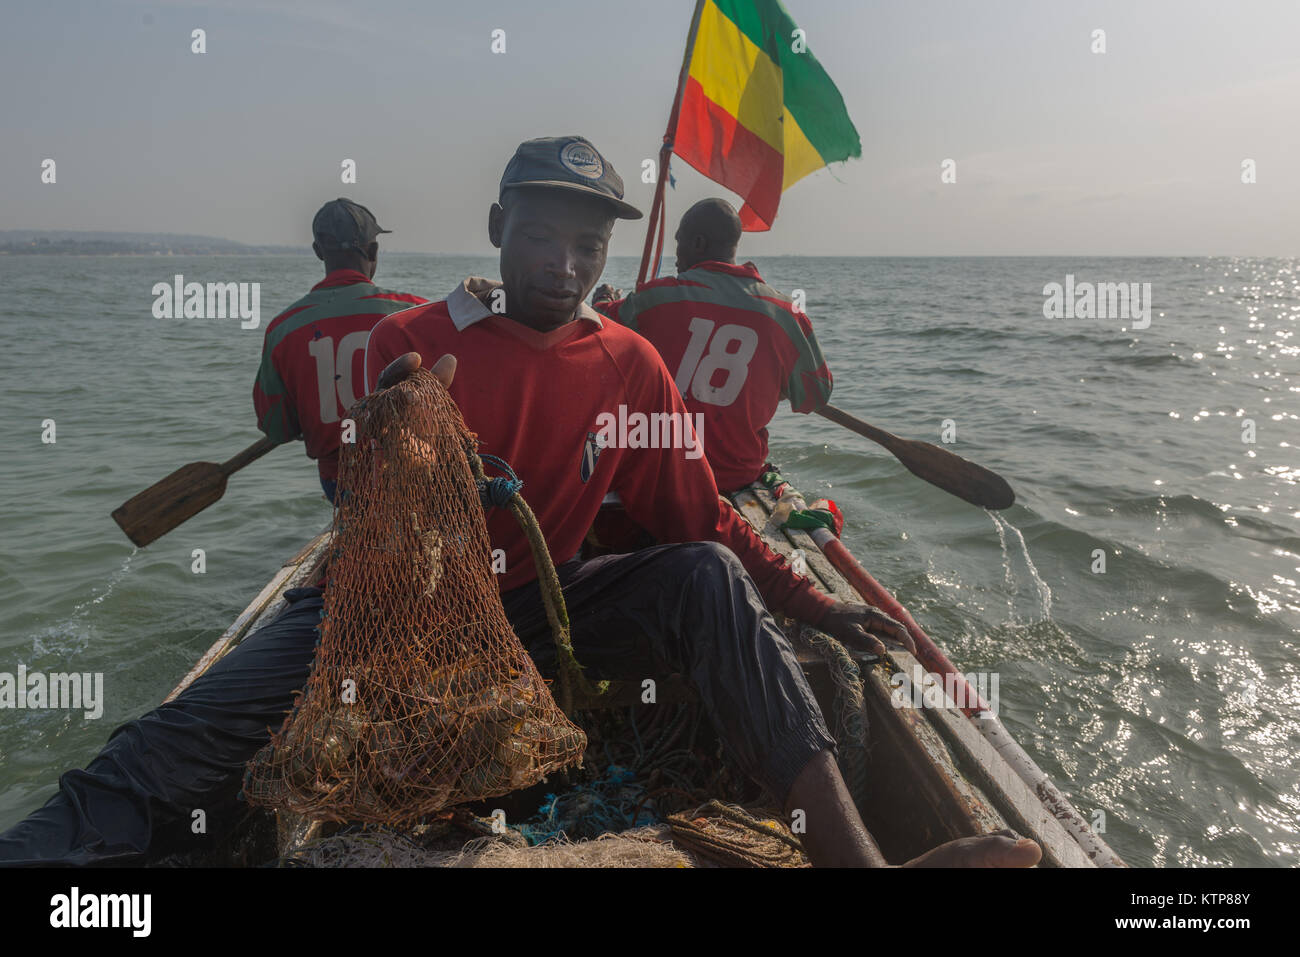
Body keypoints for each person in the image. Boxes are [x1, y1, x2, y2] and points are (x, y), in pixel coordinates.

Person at [364, 136, 1040, 868]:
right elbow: (372, 533)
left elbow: (700, 517)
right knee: (217, 720)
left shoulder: (630, 356)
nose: (564, 267)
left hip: (541, 606)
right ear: (498, 227)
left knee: (707, 571)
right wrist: (397, 455)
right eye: (536, 237)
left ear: (617, 249)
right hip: (417, 623)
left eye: (588, 245)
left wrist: (815, 605)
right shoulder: (406, 343)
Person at [592, 198, 832, 494]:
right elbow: (815, 397)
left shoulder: (654, 299)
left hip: (662, 471)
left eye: (679, 243)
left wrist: (601, 298)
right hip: (736, 475)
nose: (676, 256)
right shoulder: (786, 315)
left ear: (698, 243)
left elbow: (598, 327)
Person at [253, 198, 427, 502]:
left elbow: (276, 427)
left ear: (318, 251)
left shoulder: (283, 329)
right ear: (373, 251)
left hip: (340, 484)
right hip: (415, 472)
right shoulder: (415, 313)